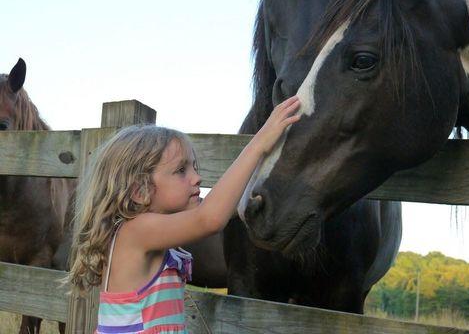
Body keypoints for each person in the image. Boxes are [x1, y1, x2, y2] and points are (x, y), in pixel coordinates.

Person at [66, 96, 301, 334]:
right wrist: (259, 144)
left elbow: (222, 208)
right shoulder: (136, 230)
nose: (197, 178)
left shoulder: (147, 230)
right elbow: (210, 218)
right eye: (181, 170)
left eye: (194, 168)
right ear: (140, 190)